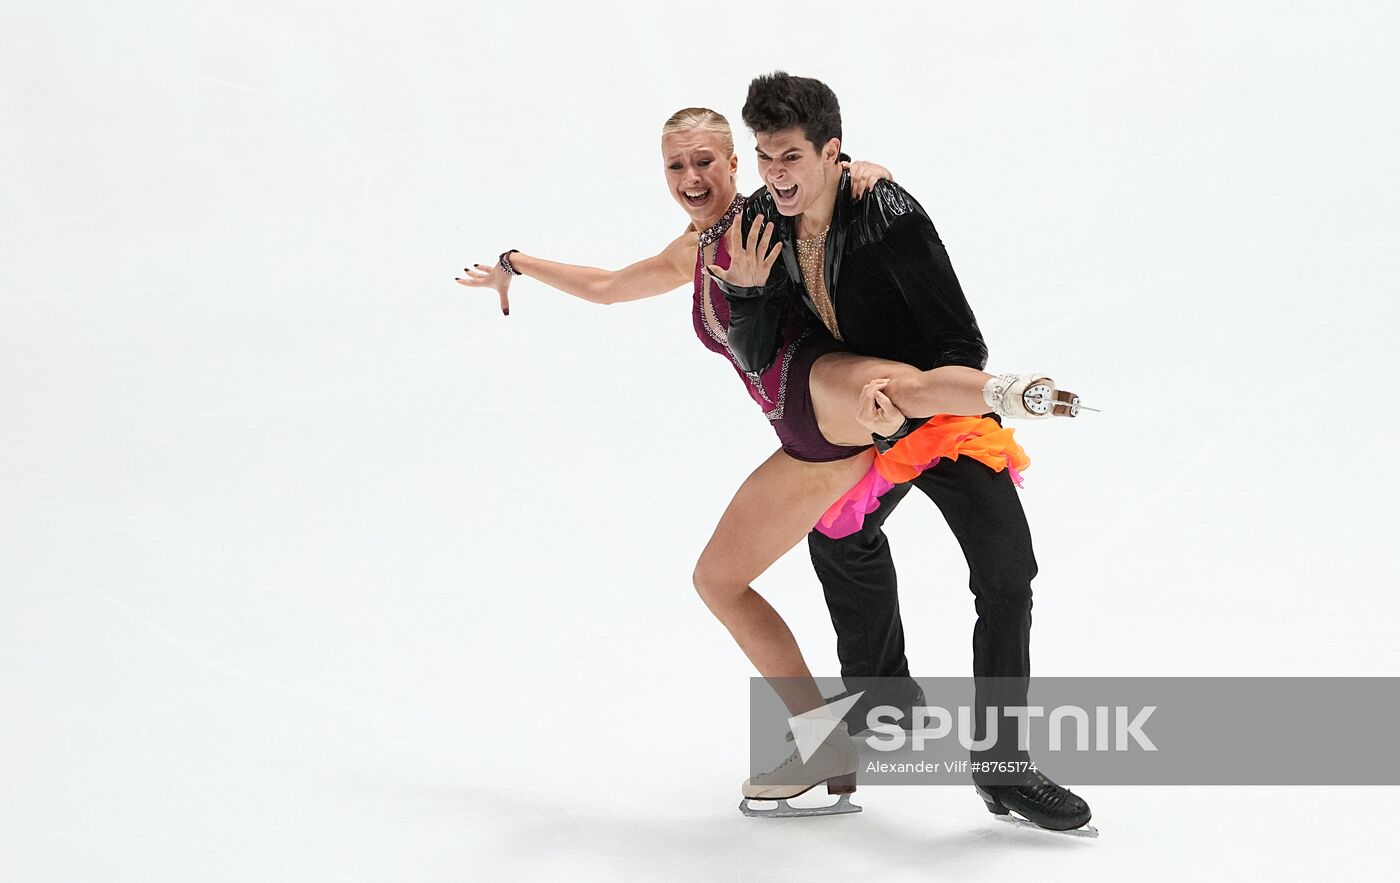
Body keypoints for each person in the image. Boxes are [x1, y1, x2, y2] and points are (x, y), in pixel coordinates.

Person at [456, 107, 1079, 819]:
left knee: (972, 526)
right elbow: (608, 286)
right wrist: (517, 264)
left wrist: (870, 174)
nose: (691, 177)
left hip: (835, 400)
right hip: (803, 432)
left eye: (705, 162)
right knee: (721, 577)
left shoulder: (767, 215)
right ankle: (841, 729)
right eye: (675, 165)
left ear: (733, 165)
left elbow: (825, 184)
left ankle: (995, 758)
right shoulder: (694, 248)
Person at [710, 72, 1094, 832]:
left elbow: (964, 343)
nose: (775, 176)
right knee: (839, 533)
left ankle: (1005, 767)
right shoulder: (760, 222)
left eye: (789, 156)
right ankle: (885, 701)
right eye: (763, 157)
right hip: (862, 424)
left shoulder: (887, 213)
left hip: (935, 411)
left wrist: (910, 394)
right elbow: (764, 353)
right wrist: (750, 295)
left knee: (1007, 569)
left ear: (832, 152)